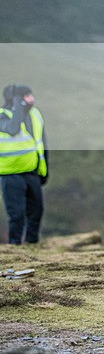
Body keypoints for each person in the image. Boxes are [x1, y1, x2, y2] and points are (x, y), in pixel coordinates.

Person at [0, 85, 48, 245]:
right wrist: (17, 106)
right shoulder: (3, 116)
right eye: (26, 96)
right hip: (10, 173)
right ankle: (15, 246)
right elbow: (13, 129)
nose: (31, 99)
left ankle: (32, 244)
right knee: (17, 214)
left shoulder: (35, 114)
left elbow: (41, 143)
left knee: (36, 210)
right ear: (17, 99)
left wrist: (44, 170)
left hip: (32, 171)